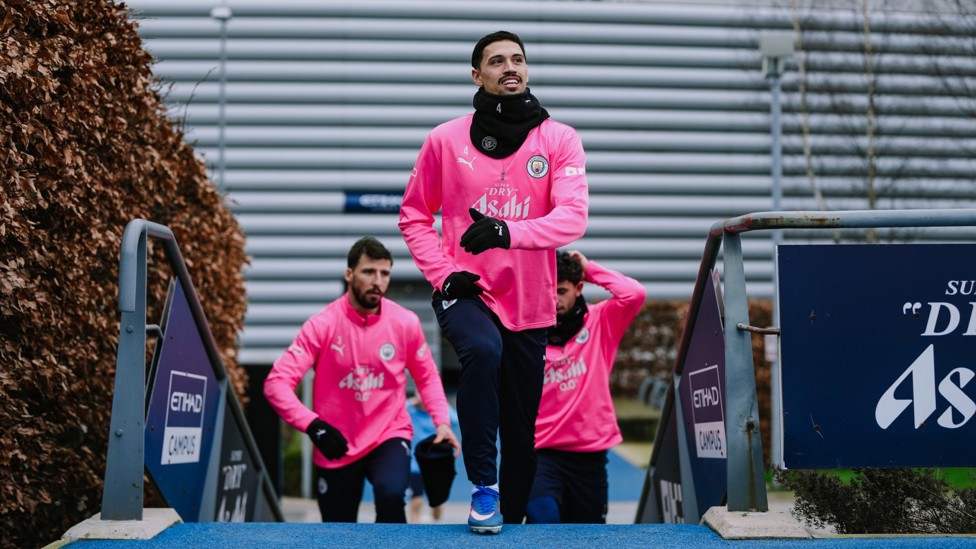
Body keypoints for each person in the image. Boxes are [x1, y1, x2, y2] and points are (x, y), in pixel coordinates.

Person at [398, 30, 589, 534]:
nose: (511, 66)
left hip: (529, 301)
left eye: (518, 59)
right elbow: (415, 216)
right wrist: (444, 274)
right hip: (465, 290)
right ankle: (483, 488)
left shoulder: (559, 139)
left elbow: (572, 220)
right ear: (476, 74)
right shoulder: (445, 139)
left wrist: (507, 232)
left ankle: (515, 506)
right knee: (482, 352)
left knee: (521, 430)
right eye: (497, 60)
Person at [263, 236, 460, 523]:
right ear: (349, 274)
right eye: (369, 272)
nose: (377, 281)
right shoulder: (322, 325)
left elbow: (427, 376)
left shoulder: (405, 323)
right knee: (338, 530)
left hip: (389, 433)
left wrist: (441, 422)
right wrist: (313, 425)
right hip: (336, 441)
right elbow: (275, 384)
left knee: (392, 495)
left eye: (384, 273)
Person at [526, 250, 646, 524]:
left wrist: (588, 268)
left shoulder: (601, 320)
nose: (553, 300)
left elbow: (634, 293)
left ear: (579, 288)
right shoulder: (528, 327)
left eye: (561, 291)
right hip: (541, 451)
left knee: (587, 535)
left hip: (588, 454)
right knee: (542, 518)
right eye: (547, 290)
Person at [405, 393, 459, 523]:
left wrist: (438, 402)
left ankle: (436, 511)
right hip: (415, 464)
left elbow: (455, 419)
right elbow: (396, 410)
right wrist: (412, 401)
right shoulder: (411, 410)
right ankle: (414, 526)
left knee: (437, 500)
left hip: (435, 461)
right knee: (416, 499)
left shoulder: (439, 414)